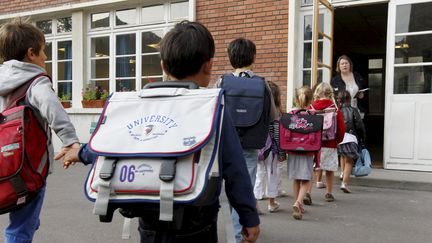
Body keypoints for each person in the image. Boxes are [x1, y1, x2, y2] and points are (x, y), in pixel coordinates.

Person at [55, 21, 260, 243]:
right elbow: (236, 171)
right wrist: (249, 218)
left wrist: (80, 153)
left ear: (163, 66)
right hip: (197, 223)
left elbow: (115, 145)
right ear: (208, 65)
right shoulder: (212, 108)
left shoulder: (139, 105)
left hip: (148, 224)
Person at [0, 18, 80, 243]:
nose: (46, 57)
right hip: (27, 170)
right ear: (31, 53)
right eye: (44, 51)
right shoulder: (36, 82)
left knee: (24, 221)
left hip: (2, 165)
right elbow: (53, 108)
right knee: (20, 229)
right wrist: (70, 140)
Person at [220, 37, 276, 242]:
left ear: (230, 57)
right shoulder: (262, 84)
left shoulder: (222, 81)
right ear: (253, 57)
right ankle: (238, 234)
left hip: (225, 144)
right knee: (245, 189)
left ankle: (231, 231)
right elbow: (273, 115)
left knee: (225, 190)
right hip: (251, 144)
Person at [330, 55, 367, 180]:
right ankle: (343, 171)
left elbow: (362, 91)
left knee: (355, 139)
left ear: (350, 64)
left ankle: (352, 167)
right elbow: (334, 97)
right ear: (338, 67)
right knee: (343, 141)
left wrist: (361, 94)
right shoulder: (335, 80)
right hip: (343, 112)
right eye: (342, 64)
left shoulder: (357, 76)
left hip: (357, 111)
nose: (344, 65)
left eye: (346, 63)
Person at [307, 82, 345, 203]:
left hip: (314, 144)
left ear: (317, 93)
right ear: (330, 94)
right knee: (329, 170)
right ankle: (328, 193)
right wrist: (338, 140)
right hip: (330, 143)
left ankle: (307, 192)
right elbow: (342, 128)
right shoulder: (334, 108)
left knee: (313, 168)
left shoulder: (311, 107)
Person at [253, 81, 286, 213]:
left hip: (258, 146)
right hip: (271, 148)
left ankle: (256, 200)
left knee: (258, 173)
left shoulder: (258, 109)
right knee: (272, 173)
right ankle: (271, 203)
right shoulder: (277, 112)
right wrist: (281, 151)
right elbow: (277, 133)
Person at [286, 85, 316, 220]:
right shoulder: (312, 115)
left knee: (296, 178)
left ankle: (297, 202)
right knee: (307, 178)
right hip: (308, 150)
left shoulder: (291, 114)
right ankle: (298, 202)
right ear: (311, 100)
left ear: (296, 99)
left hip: (292, 149)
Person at [337, 90, 366, 193]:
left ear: (339, 100)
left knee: (342, 154)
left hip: (339, 137)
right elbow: (359, 125)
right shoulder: (354, 110)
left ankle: (342, 172)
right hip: (351, 136)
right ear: (349, 99)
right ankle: (344, 183)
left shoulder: (337, 111)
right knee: (350, 160)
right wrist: (362, 138)